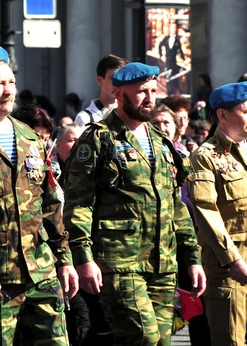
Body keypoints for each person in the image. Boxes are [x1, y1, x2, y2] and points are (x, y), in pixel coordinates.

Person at [63, 62, 206, 346]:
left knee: (160, 341)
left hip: (163, 265)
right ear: (118, 93)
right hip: (119, 263)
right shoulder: (98, 139)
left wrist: (191, 257)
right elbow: (79, 205)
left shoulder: (162, 143)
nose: (150, 98)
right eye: (141, 91)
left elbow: (175, 206)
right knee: (145, 339)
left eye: (153, 90)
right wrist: (83, 258)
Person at [0, 44, 78, 345]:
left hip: (41, 275)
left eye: (11, 82)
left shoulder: (29, 137)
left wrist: (65, 258)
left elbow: (49, 204)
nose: (9, 91)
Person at [188, 81, 247, 346]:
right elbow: (206, 210)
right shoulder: (206, 156)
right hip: (230, 265)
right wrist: (233, 260)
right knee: (231, 340)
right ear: (222, 115)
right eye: (245, 111)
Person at [74, 54, 128, 126]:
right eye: (113, 78)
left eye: (122, 78)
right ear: (100, 80)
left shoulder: (131, 113)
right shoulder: (85, 118)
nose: (118, 83)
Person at [159, 21, 186, 95]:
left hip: (174, 61)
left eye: (174, 27)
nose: (173, 29)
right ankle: (169, 93)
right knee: (168, 77)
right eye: (171, 27)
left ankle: (175, 93)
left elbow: (180, 49)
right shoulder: (166, 38)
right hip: (167, 61)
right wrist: (161, 55)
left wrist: (184, 59)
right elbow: (160, 45)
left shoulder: (177, 39)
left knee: (174, 77)